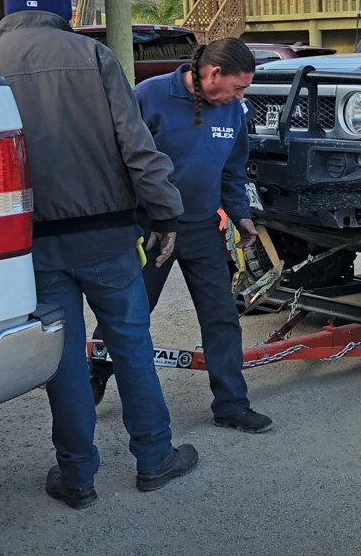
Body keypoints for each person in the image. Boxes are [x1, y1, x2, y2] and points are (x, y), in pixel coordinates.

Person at [0, 0, 198, 509]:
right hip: (109, 240)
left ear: (11, 6)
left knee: (61, 360)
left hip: (31, 250)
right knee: (131, 344)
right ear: (64, 6)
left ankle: (77, 478)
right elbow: (137, 148)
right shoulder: (94, 57)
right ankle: (155, 458)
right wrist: (165, 214)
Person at [90, 37, 273, 433]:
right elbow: (120, 163)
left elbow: (232, 170)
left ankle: (231, 404)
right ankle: (93, 379)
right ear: (213, 74)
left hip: (202, 228)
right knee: (129, 312)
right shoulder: (149, 97)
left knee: (222, 316)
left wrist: (241, 216)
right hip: (150, 229)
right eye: (238, 87)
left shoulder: (232, 112)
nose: (241, 96)